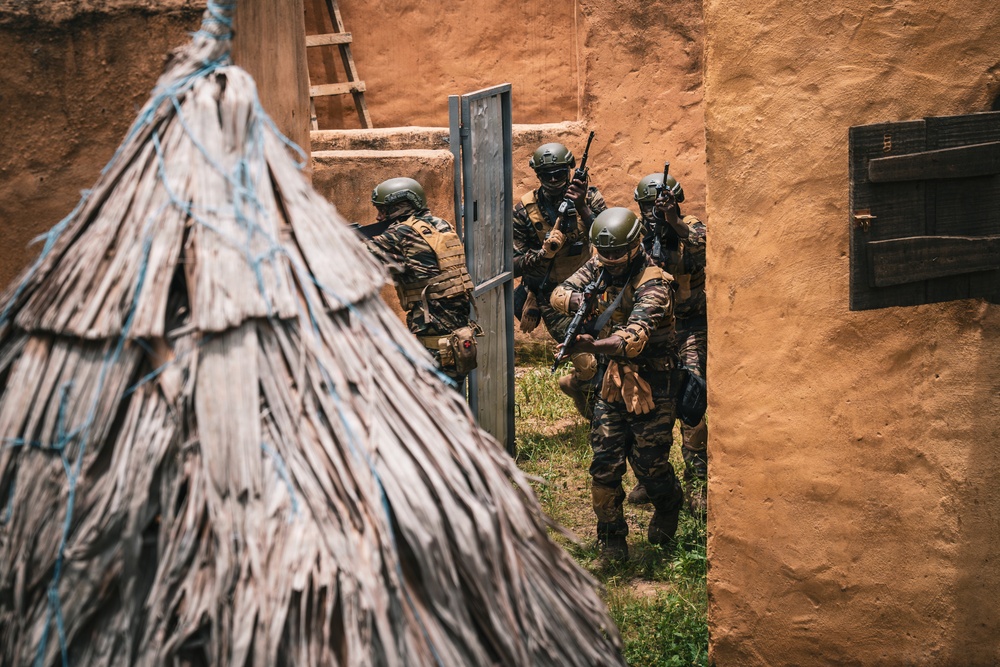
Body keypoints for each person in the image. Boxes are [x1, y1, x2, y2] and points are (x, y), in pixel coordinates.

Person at [550, 207, 686, 562]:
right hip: (613, 379)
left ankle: (669, 504)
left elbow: (632, 340)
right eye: (603, 253)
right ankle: (611, 538)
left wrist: (589, 346)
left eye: (615, 254)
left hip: (655, 380)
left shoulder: (654, 283)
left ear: (635, 245)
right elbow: (559, 292)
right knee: (605, 463)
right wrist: (582, 301)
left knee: (649, 465)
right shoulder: (599, 266)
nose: (608, 260)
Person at [628, 170, 708, 518]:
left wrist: (672, 221)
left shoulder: (690, 226)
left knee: (690, 399)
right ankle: (651, 476)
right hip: (652, 329)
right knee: (644, 405)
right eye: (648, 206)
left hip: (689, 327)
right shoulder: (636, 232)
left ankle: (697, 481)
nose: (653, 211)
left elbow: (701, 245)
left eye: (659, 204)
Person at [513, 141, 607, 418]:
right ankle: (595, 418)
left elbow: (607, 236)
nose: (554, 180)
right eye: (546, 175)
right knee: (587, 361)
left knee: (612, 353)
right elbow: (513, 263)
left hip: (592, 289)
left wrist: (582, 208)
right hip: (552, 297)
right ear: (537, 176)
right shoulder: (524, 210)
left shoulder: (589, 197)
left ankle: (588, 395)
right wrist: (542, 255)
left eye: (559, 173)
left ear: (570, 170)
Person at [362, 177, 479, 385]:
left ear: (402, 206)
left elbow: (355, 255)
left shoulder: (401, 233)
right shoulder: (441, 226)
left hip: (436, 341)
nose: (379, 217)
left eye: (384, 210)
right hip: (459, 334)